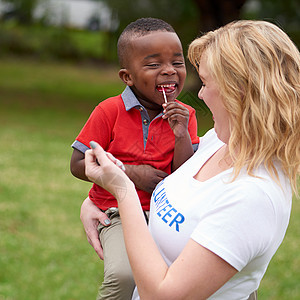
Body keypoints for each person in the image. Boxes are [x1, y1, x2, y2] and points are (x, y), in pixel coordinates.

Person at [83, 20, 300, 299]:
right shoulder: (218, 143)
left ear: (239, 92)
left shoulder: (253, 195)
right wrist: (94, 200)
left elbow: (163, 295)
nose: (199, 94)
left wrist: (122, 192)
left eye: (207, 82)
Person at [70, 17, 199, 299]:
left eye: (177, 63)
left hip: (166, 214)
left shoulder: (186, 116)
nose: (169, 71)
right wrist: (130, 172)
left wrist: (181, 136)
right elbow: (78, 164)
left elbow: (184, 176)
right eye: (154, 65)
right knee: (124, 276)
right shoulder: (109, 111)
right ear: (127, 77)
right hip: (115, 213)